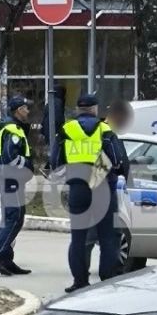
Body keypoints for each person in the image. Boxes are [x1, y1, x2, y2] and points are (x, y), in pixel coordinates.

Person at [50, 93, 124, 293]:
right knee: (107, 237)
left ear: (78, 109)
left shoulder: (66, 130)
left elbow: (55, 162)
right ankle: (107, 279)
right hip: (102, 188)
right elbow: (116, 159)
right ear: (94, 109)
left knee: (78, 238)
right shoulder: (104, 129)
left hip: (78, 188)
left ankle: (80, 281)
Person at [0, 95, 35, 276]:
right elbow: (10, 157)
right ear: (18, 110)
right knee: (15, 218)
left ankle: (6, 259)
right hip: (12, 178)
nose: (28, 111)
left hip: (8, 178)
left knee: (11, 219)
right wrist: (28, 164)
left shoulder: (7, 127)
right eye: (25, 108)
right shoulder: (13, 130)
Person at [85, 99, 133, 270]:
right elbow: (120, 162)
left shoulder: (94, 131)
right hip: (101, 187)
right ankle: (108, 274)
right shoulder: (107, 133)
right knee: (108, 235)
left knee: (90, 236)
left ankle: (82, 276)